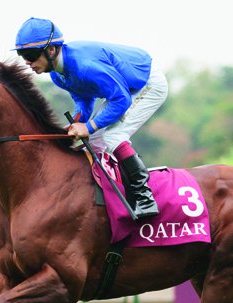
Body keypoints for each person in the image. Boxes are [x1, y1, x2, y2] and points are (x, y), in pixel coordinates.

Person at [14, 17, 168, 219]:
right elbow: (84, 99)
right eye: (22, 56)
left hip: (146, 83)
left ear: (51, 50)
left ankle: (144, 198)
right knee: (92, 141)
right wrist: (78, 121)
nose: (27, 62)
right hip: (124, 89)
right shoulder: (57, 75)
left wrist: (88, 126)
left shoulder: (84, 66)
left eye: (31, 55)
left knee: (113, 136)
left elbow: (121, 100)